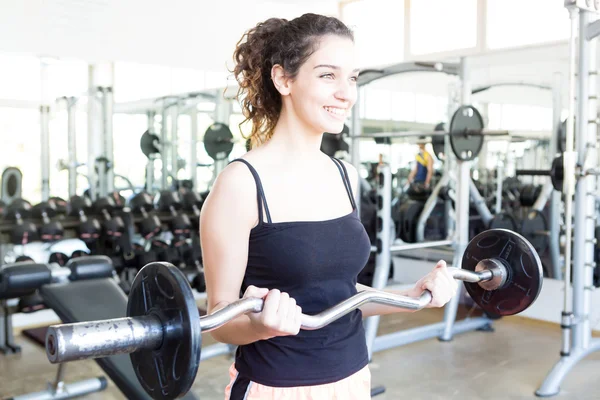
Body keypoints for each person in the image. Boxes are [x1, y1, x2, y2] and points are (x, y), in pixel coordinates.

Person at [200, 13, 458, 400]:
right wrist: (262, 326)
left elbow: (337, 295)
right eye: (327, 76)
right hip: (276, 387)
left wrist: (411, 296)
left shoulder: (345, 175)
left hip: (353, 378)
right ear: (283, 79)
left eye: (352, 77)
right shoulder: (241, 183)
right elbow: (219, 319)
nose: (346, 93)